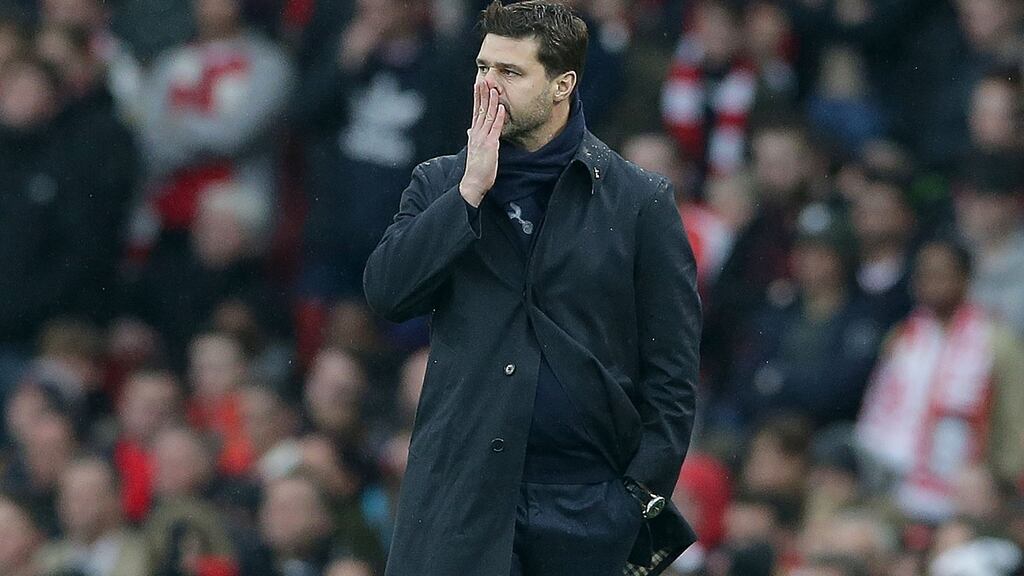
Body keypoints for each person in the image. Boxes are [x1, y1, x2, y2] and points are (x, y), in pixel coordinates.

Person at [362, 2, 701, 574]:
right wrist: (469, 193)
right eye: (482, 67)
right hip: (459, 499)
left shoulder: (640, 202)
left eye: (510, 72)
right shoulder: (441, 181)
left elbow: (672, 370)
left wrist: (635, 497)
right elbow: (388, 295)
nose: (487, 87)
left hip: (585, 506)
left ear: (562, 84)